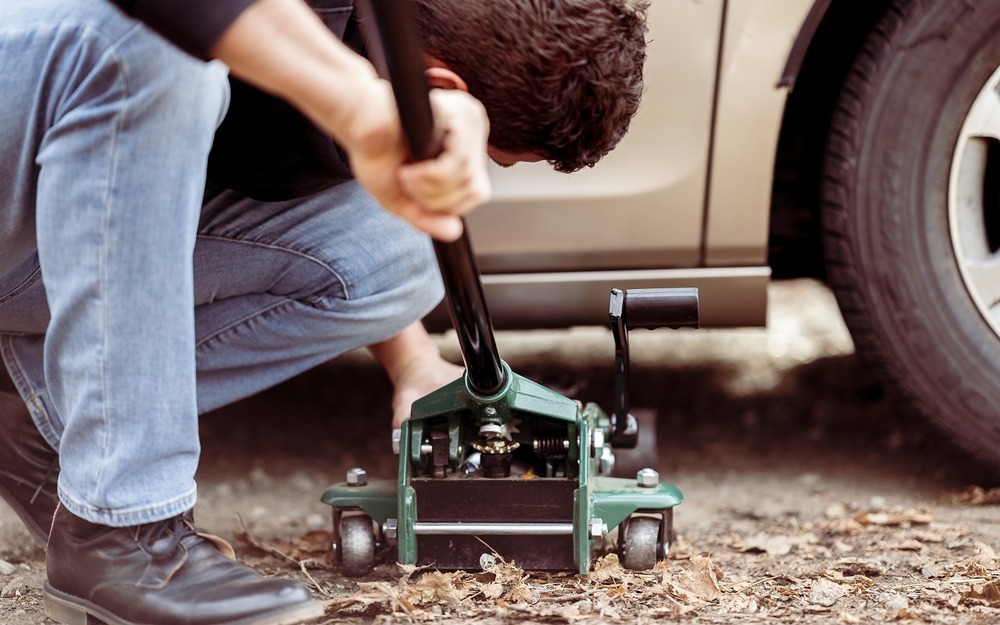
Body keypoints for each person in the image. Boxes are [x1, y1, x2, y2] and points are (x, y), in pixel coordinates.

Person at [0, 0, 650, 623]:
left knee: (398, 252)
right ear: (437, 83)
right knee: (148, 49)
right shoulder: (359, 72)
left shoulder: (388, 37)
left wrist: (415, 366)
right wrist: (360, 103)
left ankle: (35, 407)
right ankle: (123, 531)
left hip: (33, 239)